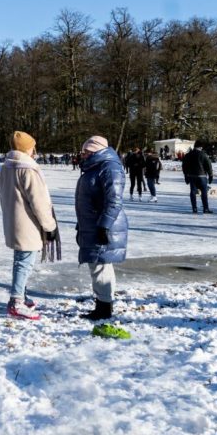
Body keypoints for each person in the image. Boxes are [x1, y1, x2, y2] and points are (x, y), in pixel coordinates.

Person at [0, 131, 60, 321]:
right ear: (27, 148)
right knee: (24, 261)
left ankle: (21, 296)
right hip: (27, 222)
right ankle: (17, 301)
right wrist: (49, 226)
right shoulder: (27, 168)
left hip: (14, 219)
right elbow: (39, 202)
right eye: (32, 146)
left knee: (21, 259)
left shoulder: (8, 166)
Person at [74, 136, 128, 321]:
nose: (83, 155)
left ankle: (104, 308)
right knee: (98, 265)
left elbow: (114, 200)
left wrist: (104, 226)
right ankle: (103, 303)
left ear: (96, 151)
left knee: (100, 265)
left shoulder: (109, 167)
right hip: (92, 224)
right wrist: (81, 225)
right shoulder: (94, 167)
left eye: (86, 152)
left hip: (103, 225)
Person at [181, 141, 214, 214]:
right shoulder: (203, 154)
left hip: (192, 176)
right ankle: (205, 208)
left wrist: (186, 176)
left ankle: (194, 208)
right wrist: (210, 175)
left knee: (193, 191)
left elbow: (184, 166)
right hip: (202, 176)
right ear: (201, 147)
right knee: (204, 192)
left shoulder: (188, 155)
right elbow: (208, 165)